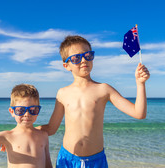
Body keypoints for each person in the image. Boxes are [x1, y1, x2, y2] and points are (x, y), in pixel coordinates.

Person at [39, 35, 150, 168]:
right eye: (76, 58)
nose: (84, 60)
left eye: (88, 55)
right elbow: (51, 128)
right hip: (67, 160)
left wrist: (140, 84)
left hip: (96, 161)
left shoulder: (103, 89)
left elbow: (139, 113)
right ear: (66, 65)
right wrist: (23, 131)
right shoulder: (62, 93)